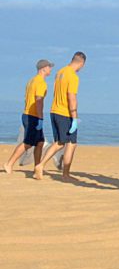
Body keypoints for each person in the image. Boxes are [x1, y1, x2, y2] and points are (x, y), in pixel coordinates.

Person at [34, 51, 86, 181]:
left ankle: (42, 166)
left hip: (54, 111)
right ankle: (63, 173)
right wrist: (74, 117)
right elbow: (71, 97)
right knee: (71, 143)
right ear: (81, 63)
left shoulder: (60, 72)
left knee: (60, 142)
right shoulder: (73, 76)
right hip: (65, 112)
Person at [3, 59, 54, 173]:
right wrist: (40, 118)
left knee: (40, 142)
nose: (50, 69)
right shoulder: (40, 82)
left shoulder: (32, 81)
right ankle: (9, 163)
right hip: (32, 116)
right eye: (49, 67)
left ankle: (37, 167)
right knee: (28, 143)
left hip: (28, 114)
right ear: (43, 68)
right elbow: (39, 101)